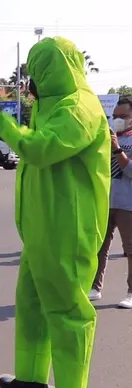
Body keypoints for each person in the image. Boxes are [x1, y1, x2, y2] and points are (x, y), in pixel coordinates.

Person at [0, 37, 111, 388]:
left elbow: (40, 150)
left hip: (69, 229)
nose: (30, 83)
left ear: (55, 71)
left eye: (36, 73)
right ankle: (32, 380)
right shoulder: (50, 107)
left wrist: (1, 121)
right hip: (41, 230)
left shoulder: (79, 109)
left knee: (68, 311)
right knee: (32, 304)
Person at [90, 96, 132, 306]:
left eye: (123, 116)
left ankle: (131, 292)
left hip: (128, 204)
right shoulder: (107, 138)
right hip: (105, 201)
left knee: (130, 249)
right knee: (99, 246)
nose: (117, 120)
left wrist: (117, 149)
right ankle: (94, 287)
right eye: (114, 116)